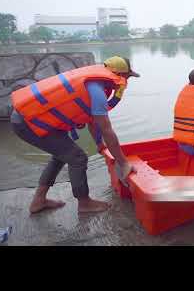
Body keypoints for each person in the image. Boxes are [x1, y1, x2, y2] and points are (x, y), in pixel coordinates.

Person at [10, 56, 140, 214]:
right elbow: (106, 128)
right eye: (127, 77)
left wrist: (99, 144)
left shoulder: (95, 82)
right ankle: (84, 203)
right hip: (28, 123)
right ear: (118, 75)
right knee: (77, 157)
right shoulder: (97, 91)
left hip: (30, 119)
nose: (126, 81)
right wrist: (123, 163)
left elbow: (92, 120)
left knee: (62, 155)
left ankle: (39, 201)